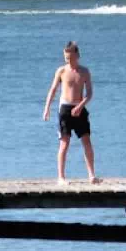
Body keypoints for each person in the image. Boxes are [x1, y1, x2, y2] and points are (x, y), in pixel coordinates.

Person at [42, 41, 99, 184]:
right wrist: (47, 108)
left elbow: (90, 93)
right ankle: (61, 177)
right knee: (64, 143)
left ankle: (91, 175)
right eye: (66, 58)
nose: (68, 60)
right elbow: (53, 90)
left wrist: (81, 105)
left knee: (86, 140)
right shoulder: (61, 71)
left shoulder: (84, 71)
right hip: (65, 110)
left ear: (78, 55)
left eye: (71, 57)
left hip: (79, 108)